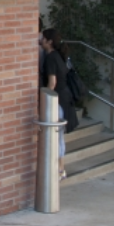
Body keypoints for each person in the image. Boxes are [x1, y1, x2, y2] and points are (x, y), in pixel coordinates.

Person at [40, 28, 77, 177]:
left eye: (43, 38)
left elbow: (52, 83)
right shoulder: (60, 56)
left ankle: (58, 169)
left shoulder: (50, 58)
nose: (40, 40)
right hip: (65, 100)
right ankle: (61, 168)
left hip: (57, 102)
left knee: (55, 136)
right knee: (60, 137)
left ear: (49, 42)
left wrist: (44, 101)